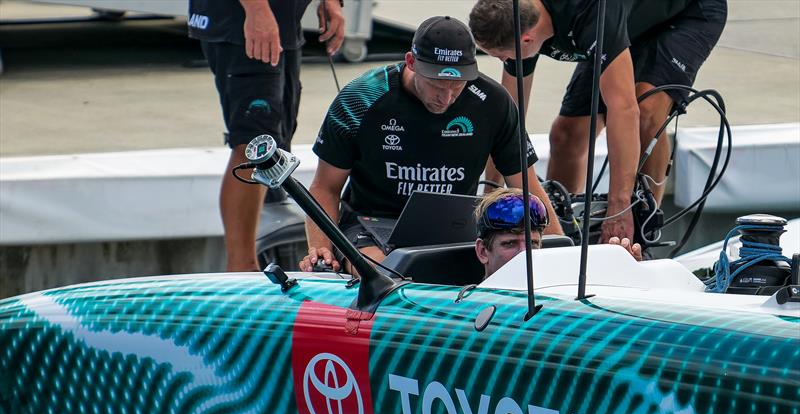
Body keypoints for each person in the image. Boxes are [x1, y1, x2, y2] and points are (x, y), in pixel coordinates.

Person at [299, 16, 563, 273]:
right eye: (437, 84)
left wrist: (561, 256)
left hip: (454, 225)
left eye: (458, 85)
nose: (446, 98)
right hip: (370, 223)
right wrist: (321, 248)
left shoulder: (494, 102)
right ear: (411, 62)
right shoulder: (360, 98)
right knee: (385, 275)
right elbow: (325, 188)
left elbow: (527, 187)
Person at [469, 0, 727, 244]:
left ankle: (643, 226)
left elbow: (623, 108)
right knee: (566, 134)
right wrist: (492, 192)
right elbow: (507, 120)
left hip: (685, 14)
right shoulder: (519, 15)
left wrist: (619, 207)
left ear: (527, 40)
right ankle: (560, 228)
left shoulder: (590, 14)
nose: (505, 63)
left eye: (502, 57)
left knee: (646, 111)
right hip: (622, 22)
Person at [188, 0, 345, 271]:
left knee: (278, 136)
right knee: (253, 142)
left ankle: (257, 260)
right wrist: (256, 10)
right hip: (242, 20)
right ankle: (241, 269)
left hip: (284, 20)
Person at [476, 188, 642, 278]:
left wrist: (625, 274)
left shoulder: (563, 290)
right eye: (510, 243)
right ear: (483, 251)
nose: (525, 254)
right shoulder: (465, 308)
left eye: (533, 244)